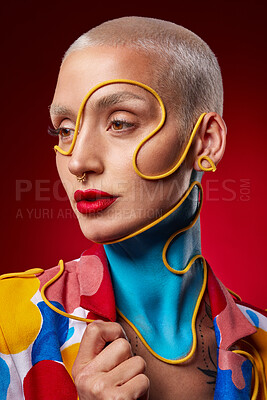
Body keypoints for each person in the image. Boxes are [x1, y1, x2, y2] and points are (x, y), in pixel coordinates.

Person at [0, 16, 266, 400]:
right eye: (64, 129)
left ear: (205, 142)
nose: (78, 161)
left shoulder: (262, 346)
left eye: (120, 122)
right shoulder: (9, 325)